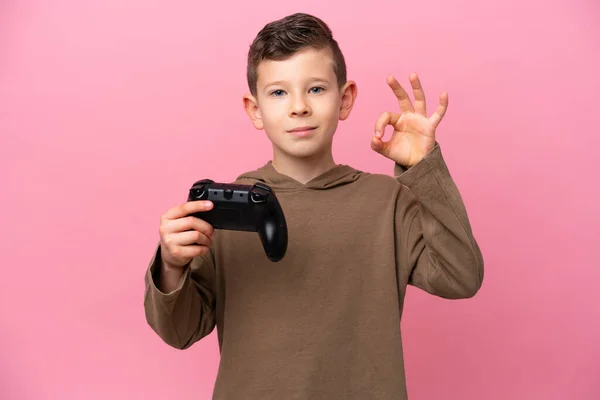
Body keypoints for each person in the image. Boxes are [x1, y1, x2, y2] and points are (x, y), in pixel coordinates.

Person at [144, 12, 484, 399]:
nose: (299, 107)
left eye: (317, 89)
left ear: (346, 98)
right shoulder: (223, 215)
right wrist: (172, 265)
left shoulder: (387, 202)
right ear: (254, 109)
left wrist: (424, 167)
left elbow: (461, 277)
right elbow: (179, 331)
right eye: (278, 92)